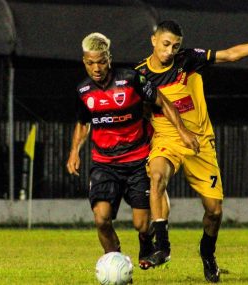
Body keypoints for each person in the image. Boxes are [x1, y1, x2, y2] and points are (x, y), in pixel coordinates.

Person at [135, 21, 248, 282]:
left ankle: (207, 252)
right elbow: (140, 111)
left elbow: (231, 54)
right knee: (157, 177)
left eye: (175, 45)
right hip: (168, 138)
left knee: (214, 211)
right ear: (154, 40)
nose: (170, 50)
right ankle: (163, 247)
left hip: (200, 142)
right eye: (166, 44)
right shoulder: (140, 74)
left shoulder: (188, 59)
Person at [66, 33, 199, 265]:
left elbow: (162, 101)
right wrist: (74, 151)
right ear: (84, 61)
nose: (96, 68)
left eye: (101, 61)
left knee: (142, 224)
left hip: (138, 161)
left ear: (109, 58)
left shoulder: (130, 79)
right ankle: (114, 263)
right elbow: (82, 122)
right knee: (101, 219)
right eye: (90, 63)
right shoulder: (83, 91)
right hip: (104, 164)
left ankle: (145, 244)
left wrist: (182, 131)